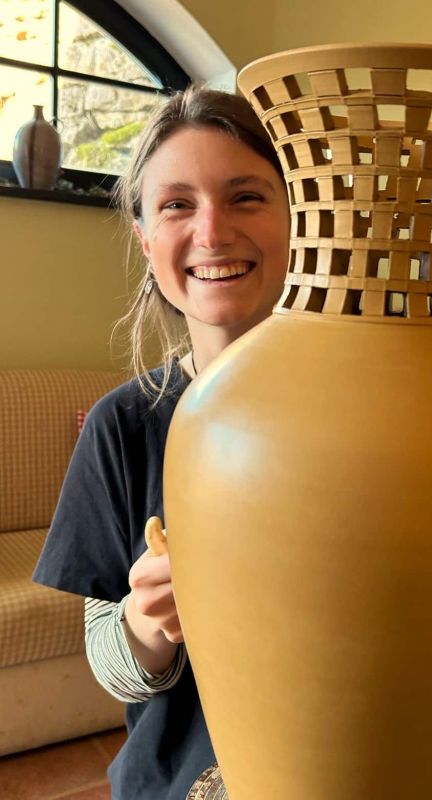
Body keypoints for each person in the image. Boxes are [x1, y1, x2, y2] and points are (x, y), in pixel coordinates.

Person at [33, 85, 291, 800]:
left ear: (299, 218)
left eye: (246, 197)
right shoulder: (123, 426)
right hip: (178, 780)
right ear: (147, 240)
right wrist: (147, 622)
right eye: (177, 205)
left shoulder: (371, 411)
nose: (211, 231)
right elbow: (109, 663)